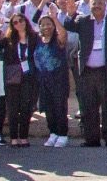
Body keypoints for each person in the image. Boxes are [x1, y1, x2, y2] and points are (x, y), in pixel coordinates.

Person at [62, 0, 107, 147]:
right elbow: (69, 25)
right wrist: (70, 13)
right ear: (89, 6)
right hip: (87, 72)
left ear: (105, 6)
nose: (97, 6)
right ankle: (92, 139)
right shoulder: (83, 21)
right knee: (89, 107)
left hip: (106, 71)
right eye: (94, 3)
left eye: (100, 3)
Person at [0, 12, 40, 147]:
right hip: (12, 77)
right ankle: (13, 138)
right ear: (12, 26)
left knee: (26, 107)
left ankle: (24, 137)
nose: (19, 23)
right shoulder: (9, 39)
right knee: (13, 109)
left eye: (21, 20)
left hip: (29, 76)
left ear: (25, 21)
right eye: (15, 22)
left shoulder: (34, 37)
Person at [34, 13, 72, 148]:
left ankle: (62, 134)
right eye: (42, 24)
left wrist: (55, 18)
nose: (45, 27)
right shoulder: (37, 40)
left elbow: (64, 34)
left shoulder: (58, 39)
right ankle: (53, 133)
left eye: (48, 24)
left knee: (60, 107)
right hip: (43, 80)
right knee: (48, 108)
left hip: (58, 79)